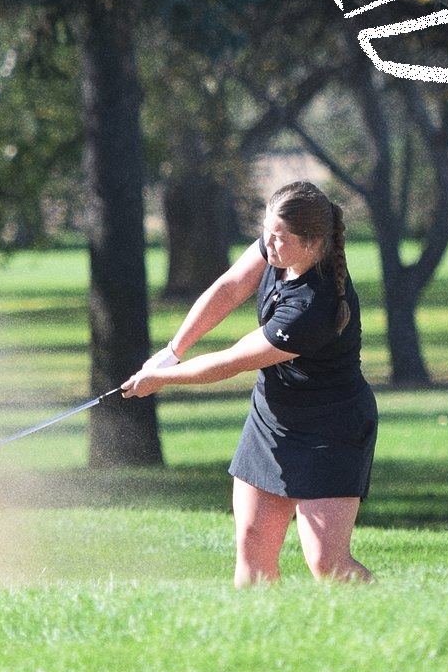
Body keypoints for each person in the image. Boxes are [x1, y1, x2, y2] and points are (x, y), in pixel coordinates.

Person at [120, 181, 378, 586]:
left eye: (280, 239)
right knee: (252, 543)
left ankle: (387, 627)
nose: (269, 246)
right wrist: (172, 351)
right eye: (266, 232)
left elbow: (231, 361)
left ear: (312, 244)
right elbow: (229, 288)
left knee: (327, 564)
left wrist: (161, 378)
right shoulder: (279, 248)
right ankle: (259, 642)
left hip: (332, 428)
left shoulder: (313, 305)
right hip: (273, 419)